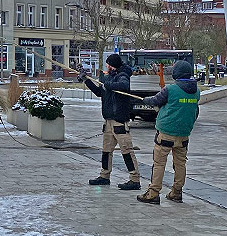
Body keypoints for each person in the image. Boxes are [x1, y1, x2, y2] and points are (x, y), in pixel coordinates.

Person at [137, 60, 199, 205]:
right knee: (180, 164)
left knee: (159, 163)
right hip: (184, 134)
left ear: (176, 73)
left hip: (166, 133)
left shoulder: (171, 89)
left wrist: (145, 100)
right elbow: (195, 111)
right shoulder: (196, 91)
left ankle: (153, 193)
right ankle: (177, 192)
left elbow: (154, 101)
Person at [79, 53, 141, 190]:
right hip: (108, 121)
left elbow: (123, 86)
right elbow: (99, 92)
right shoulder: (109, 77)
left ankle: (134, 179)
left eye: (108, 64)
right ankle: (104, 176)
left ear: (113, 66)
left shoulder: (123, 75)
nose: (106, 66)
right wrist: (86, 80)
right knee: (106, 150)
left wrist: (109, 85)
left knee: (126, 150)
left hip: (119, 121)